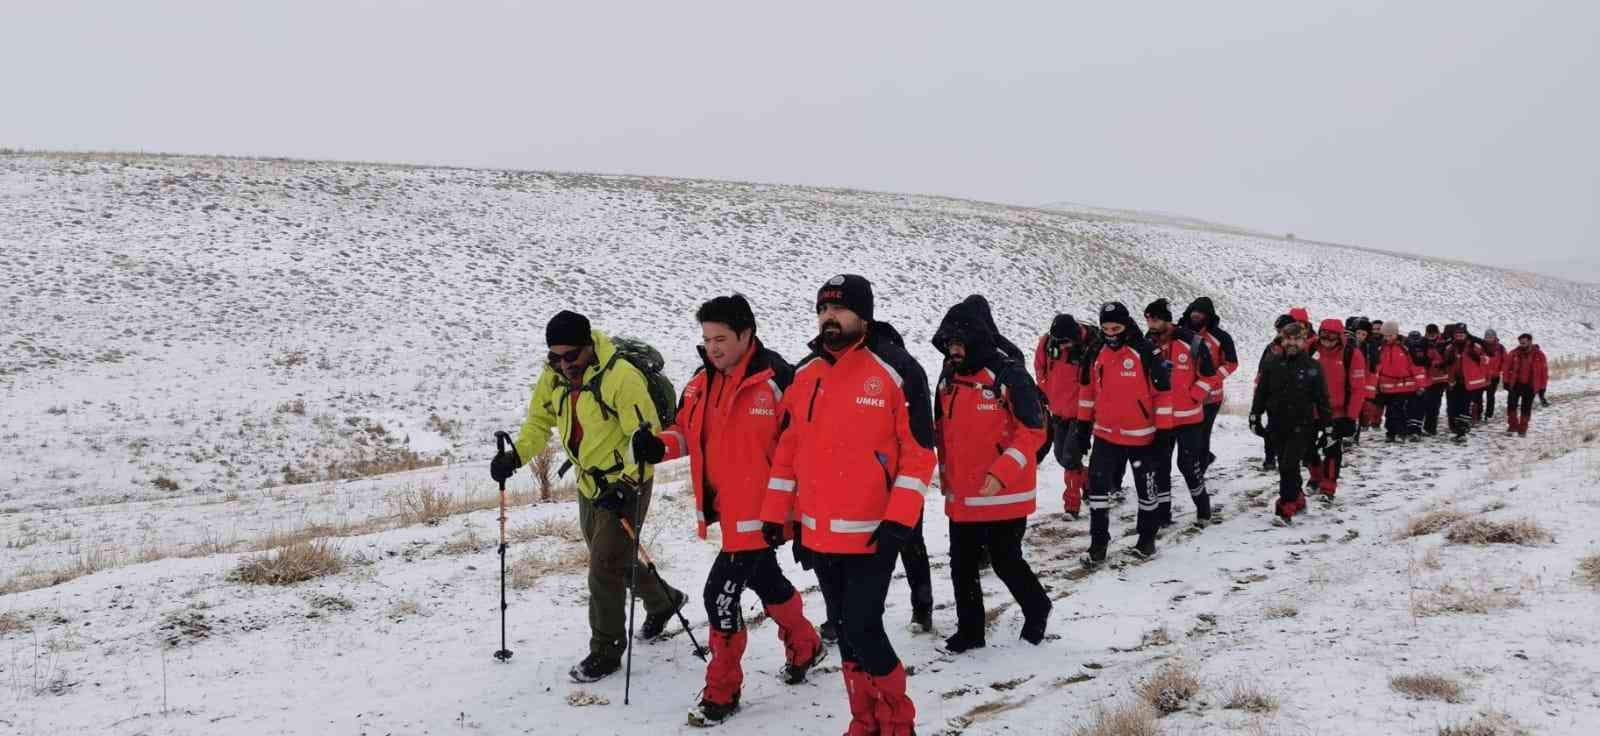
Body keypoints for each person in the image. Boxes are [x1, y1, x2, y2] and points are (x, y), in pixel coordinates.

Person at [629, 295, 824, 726]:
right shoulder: (700, 382)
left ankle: (722, 691)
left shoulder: (779, 380)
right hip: (727, 513)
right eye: (706, 338)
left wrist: (797, 514)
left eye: (720, 338)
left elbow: (805, 451)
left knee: (718, 596)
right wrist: (657, 445)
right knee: (767, 581)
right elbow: (686, 433)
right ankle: (806, 644)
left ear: (746, 335)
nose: (712, 347)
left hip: (764, 515)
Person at [760, 274, 935, 736]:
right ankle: (865, 719)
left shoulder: (898, 370)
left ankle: (898, 721)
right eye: (822, 310)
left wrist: (900, 520)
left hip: (874, 531)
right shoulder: (805, 374)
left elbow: (919, 455)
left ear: (864, 314)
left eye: (838, 309)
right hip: (819, 533)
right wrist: (782, 517)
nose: (828, 318)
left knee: (863, 626)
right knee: (844, 629)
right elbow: (789, 451)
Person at [490, 310, 685, 684]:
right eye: (554, 357)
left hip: (627, 483)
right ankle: (665, 601)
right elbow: (538, 423)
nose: (564, 365)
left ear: (588, 348)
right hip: (588, 484)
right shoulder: (553, 377)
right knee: (614, 558)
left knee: (603, 568)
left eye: (571, 356)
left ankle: (607, 650)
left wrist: (627, 484)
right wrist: (515, 457)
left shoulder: (621, 378)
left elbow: (645, 441)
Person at [931, 297, 1052, 654]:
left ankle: (1037, 608)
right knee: (962, 565)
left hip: (1006, 492)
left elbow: (1033, 430)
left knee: (1005, 559)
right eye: (949, 344)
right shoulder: (947, 377)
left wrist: (1001, 473)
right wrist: (945, 475)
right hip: (963, 492)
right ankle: (970, 631)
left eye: (959, 343)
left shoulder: (1007, 373)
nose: (953, 351)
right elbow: (942, 429)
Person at [1076, 301, 1171, 565]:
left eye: (1116, 327)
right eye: (1105, 328)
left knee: (1146, 490)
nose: (1111, 333)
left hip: (1141, 435)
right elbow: (1087, 393)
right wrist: (1082, 428)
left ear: (1126, 325)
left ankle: (1147, 539)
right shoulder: (1096, 352)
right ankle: (1098, 544)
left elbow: (1163, 394)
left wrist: (1163, 432)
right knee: (1096, 489)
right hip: (1105, 434)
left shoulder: (1145, 351)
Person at [1144, 298, 1218, 526]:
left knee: (1188, 466)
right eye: (1147, 319)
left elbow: (1210, 375)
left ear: (1166, 320)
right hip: (1161, 420)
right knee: (1160, 467)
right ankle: (1163, 515)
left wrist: (1194, 396)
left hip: (1189, 419)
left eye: (1154, 319)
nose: (1150, 324)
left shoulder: (1192, 341)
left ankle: (1203, 510)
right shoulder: (1147, 342)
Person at [1250, 323, 1332, 525]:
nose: (1292, 343)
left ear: (1304, 341)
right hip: (1276, 424)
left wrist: (1327, 427)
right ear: (1282, 340)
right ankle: (1299, 498)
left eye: (1297, 339)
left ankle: (1285, 509)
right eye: (1288, 339)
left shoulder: (1313, 367)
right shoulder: (1272, 363)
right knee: (1287, 466)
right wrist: (1255, 415)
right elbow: (1261, 393)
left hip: (1302, 425)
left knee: (1288, 465)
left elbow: (1322, 399)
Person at [1035, 314, 1096, 518]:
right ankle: (1089, 481)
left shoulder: (1090, 348)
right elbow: (1039, 367)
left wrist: (1088, 412)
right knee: (1061, 456)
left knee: (1070, 457)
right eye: (1058, 343)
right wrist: (1048, 392)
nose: (1061, 347)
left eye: (1066, 343)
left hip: (1082, 415)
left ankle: (1071, 505)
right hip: (1058, 411)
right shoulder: (1046, 343)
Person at [1308, 318, 1367, 497]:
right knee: (1305, 447)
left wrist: (1351, 417)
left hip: (1337, 412)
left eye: (1332, 336)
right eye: (1324, 334)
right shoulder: (1309, 348)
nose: (1327, 339)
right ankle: (1316, 476)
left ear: (1339, 336)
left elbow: (1358, 388)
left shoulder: (1351, 354)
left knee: (1332, 450)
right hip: (1310, 410)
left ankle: (1329, 487)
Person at [1182, 297, 1238, 473]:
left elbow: (1232, 363)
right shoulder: (1180, 332)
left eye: (1201, 312)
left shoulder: (1221, 337)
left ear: (1208, 315)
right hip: (1186, 395)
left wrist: (1211, 380)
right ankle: (1203, 457)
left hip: (1210, 397)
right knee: (1188, 436)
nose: (1196, 315)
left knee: (1202, 433)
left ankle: (1200, 469)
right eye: (1194, 311)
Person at [1371, 322, 1426, 442]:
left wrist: (1421, 385)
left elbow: (1416, 367)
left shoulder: (1406, 347)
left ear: (1396, 334)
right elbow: (1377, 368)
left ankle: (1401, 432)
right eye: (1385, 335)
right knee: (1389, 412)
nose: (1387, 338)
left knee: (1398, 410)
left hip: (1404, 387)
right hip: (1386, 387)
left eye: (1390, 335)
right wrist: (1374, 385)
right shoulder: (1380, 348)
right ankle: (1390, 433)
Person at [1256, 314, 1296, 471]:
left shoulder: (1300, 347)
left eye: (1282, 330)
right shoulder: (1271, 347)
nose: (1280, 333)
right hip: (1274, 395)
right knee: (1272, 428)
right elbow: (1262, 370)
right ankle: (1270, 458)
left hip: (1295, 396)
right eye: (1278, 330)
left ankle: (1287, 457)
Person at [1441, 323, 1489, 443]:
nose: (1460, 336)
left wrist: (1479, 359)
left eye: (1462, 334)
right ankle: (1458, 428)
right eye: (1457, 334)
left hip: (1469, 383)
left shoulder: (1475, 346)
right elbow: (1446, 362)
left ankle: (1461, 432)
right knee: (1453, 407)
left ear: (1466, 334)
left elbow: (1487, 360)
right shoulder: (1450, 347)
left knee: (1464, 406)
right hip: (1454, 382)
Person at [1502, 333, 1548, 437]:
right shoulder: (1513, 353)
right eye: (1521, 342)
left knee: (1526, 408)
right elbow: (1506, 368)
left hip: (1530, 386)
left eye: (1524, 341)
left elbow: (1544, 372)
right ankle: (1512, 426)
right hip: (1515, 385)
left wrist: (1542, 388)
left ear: (1530, 341)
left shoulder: (1540, 355)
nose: (1522, 343)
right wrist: (1505, 381)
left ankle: (1523, 429)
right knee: (1511, 406)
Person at [1420, 324, 1449, 435]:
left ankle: (1431, 428)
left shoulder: (1444, 343)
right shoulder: (1423, 342)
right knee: (1425, 404)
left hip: (1439, 380)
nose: (1431, 336)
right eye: (1429, 334)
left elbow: (1447, 359)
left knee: (1434, 405)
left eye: (1433, 334)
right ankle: (1427, 426)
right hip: (1426, 378)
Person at [1477, 329, 1507, 421]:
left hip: (1494, 376)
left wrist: (1499, 370)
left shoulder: (1500, 348)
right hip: (1480, 376)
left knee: (1490, 396)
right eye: (1487, 337)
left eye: (1490, 337)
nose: (1488, 339)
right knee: (1478, 396)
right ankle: (1478, 413)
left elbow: (1505, 360)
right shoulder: (1480, 346)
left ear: (1495, 337)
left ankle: (1489, 415)